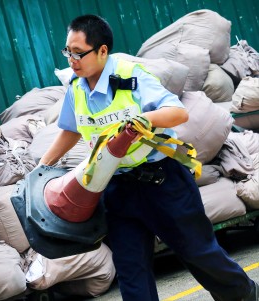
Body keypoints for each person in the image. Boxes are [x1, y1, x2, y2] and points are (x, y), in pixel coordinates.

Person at [39, 14, 258, 301]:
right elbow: (70, 131)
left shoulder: (131, 77)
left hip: (163, 182)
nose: (72, 59)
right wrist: (42, 167)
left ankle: (244, 294)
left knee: (198, 252)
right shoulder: (77, 89)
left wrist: (142, 119)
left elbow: (178, 112)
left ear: (102, 51)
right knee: (131, 268)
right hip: (117, 187)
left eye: (79, 53)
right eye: (68, 51)